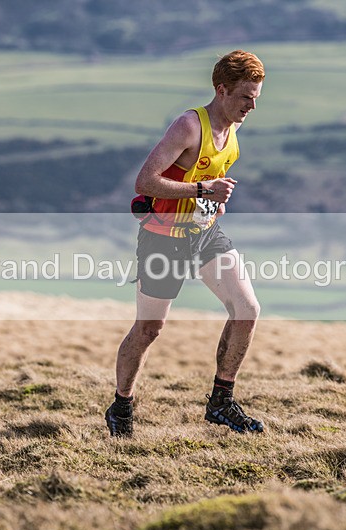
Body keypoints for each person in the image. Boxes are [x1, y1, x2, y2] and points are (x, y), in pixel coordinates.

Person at [105, 50, 265, 437]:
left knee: (247, 309)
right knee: (149, 329)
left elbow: (205, 184)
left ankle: (221, 402)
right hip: (163, 239)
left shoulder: (233, 129)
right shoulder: (189, 126)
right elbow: (145, 182)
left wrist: (212, 203)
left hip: (204, 233)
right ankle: (121, 406)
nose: (251, 106)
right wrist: (203, 189)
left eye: (256, 98)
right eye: (245, 97)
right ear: (221, 90)